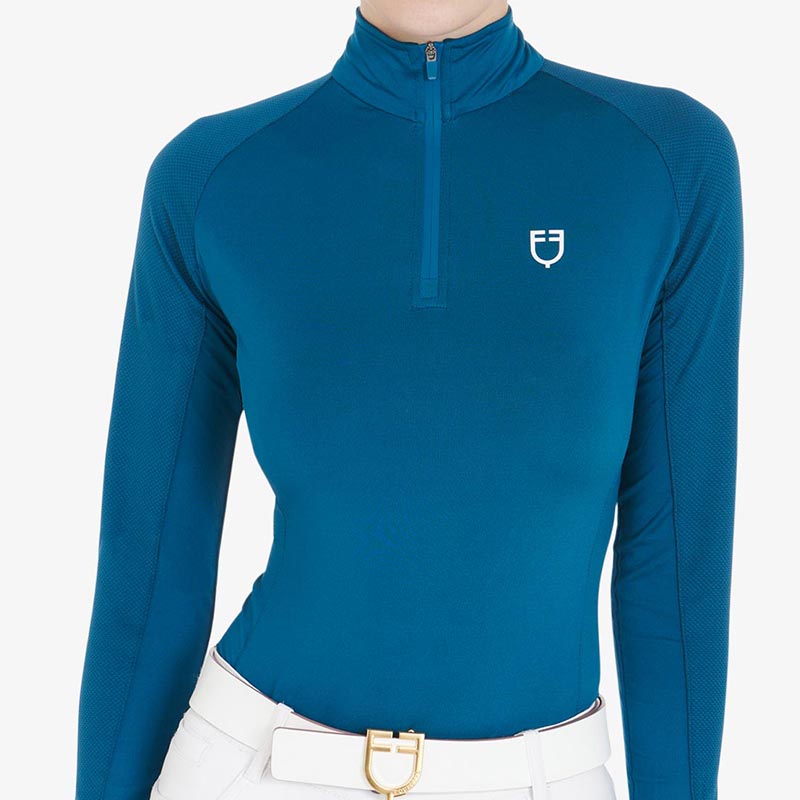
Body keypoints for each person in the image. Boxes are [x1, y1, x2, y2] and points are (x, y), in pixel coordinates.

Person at [75, 1, 744, 799]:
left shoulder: (666, 161)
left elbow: (678, 558)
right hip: (253, 762)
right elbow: (152, 563)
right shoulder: (212, 178)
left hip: (544, 776)